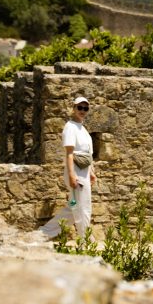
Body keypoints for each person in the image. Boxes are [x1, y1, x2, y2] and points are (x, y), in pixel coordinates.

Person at [40, 96, 96, 238]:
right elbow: (69, 153)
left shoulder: (83, 129)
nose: (82, 110)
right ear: (74, 108)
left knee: (73, 208)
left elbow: (88, 154)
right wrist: (72, 175)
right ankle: (86, 240)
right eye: (80, 107)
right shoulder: (70, 127)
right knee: (83, 207)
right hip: (76, 171)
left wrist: (91, 172)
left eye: (85, 108)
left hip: (84, 172)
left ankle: (42, 234)